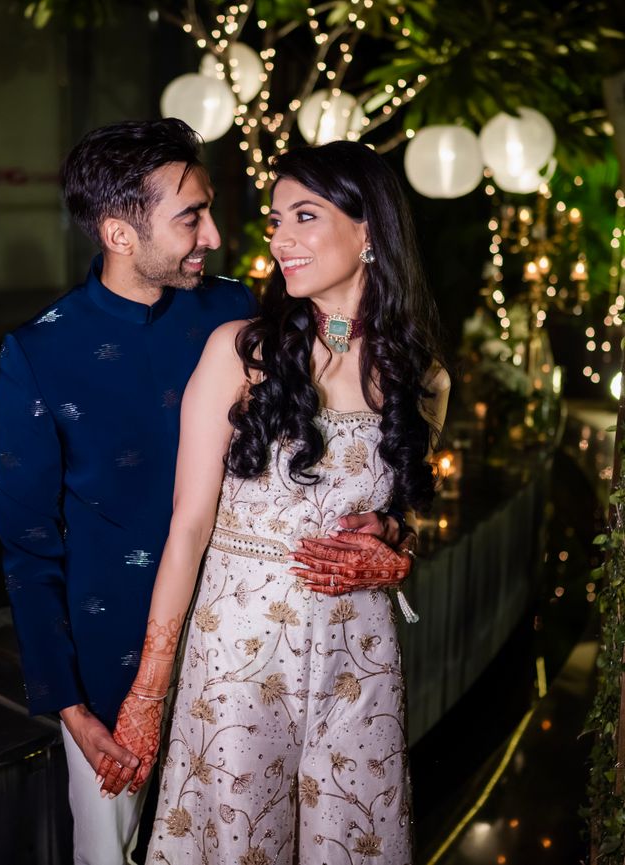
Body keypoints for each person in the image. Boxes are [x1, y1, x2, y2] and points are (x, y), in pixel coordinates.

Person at [0, 121, 408, 865]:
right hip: (116, 655)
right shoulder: (39, 351)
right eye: (192, 217)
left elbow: (356, 460)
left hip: (258, 637)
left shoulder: (240, 313)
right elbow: (27, 547)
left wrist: (396, 539)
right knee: (109, 852)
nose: (214, 233)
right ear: (121, 232)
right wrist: (69, 706)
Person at [99, 140, 450, 865]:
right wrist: (147, 696)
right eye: (274, 220)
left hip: (361, 656)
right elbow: (189, 528)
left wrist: (394, 546)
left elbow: (405, 514)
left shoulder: (424, 376)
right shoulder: (238, 351)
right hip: (238, 654)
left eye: (304, 216)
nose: (280, 239)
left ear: (369, 230)